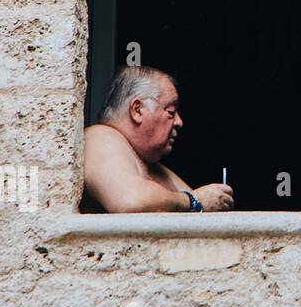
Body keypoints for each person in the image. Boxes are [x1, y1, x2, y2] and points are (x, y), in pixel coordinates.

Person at [82, 66, 234, 213]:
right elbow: (130, 200)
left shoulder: (153, 166)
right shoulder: (99, 137)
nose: (179, 122)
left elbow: (204, 205)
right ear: (137, 110)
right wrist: (194, 201)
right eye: (171, 112)